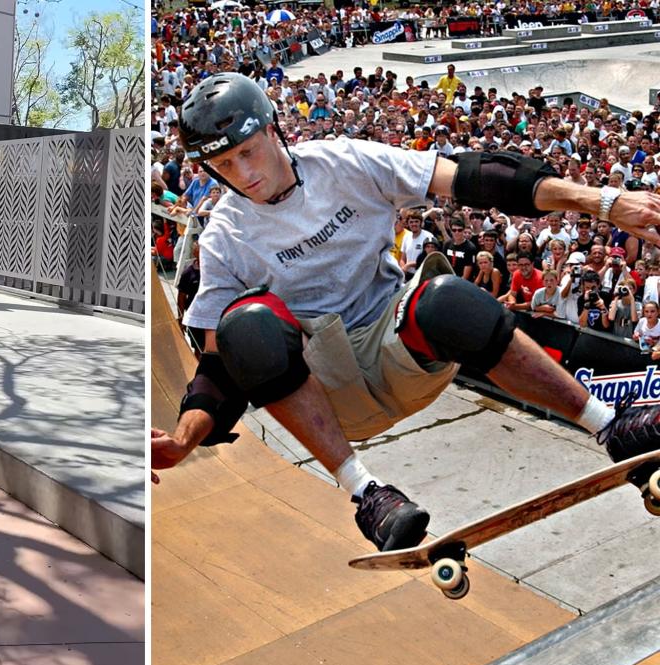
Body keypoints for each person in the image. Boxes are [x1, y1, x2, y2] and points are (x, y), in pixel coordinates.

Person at [152, 72, 660, 554]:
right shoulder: (225, 235)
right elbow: (219, 366)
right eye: (225, 166)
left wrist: (605, 202)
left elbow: (476, 176)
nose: (246, 175)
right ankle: (368, 495)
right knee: (243, 325)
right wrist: (183, 440)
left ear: (270, 128)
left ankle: (609, 425)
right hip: (325, 390)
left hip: (402, 349)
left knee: (445, 296)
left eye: (248, 152)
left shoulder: (343, 162)